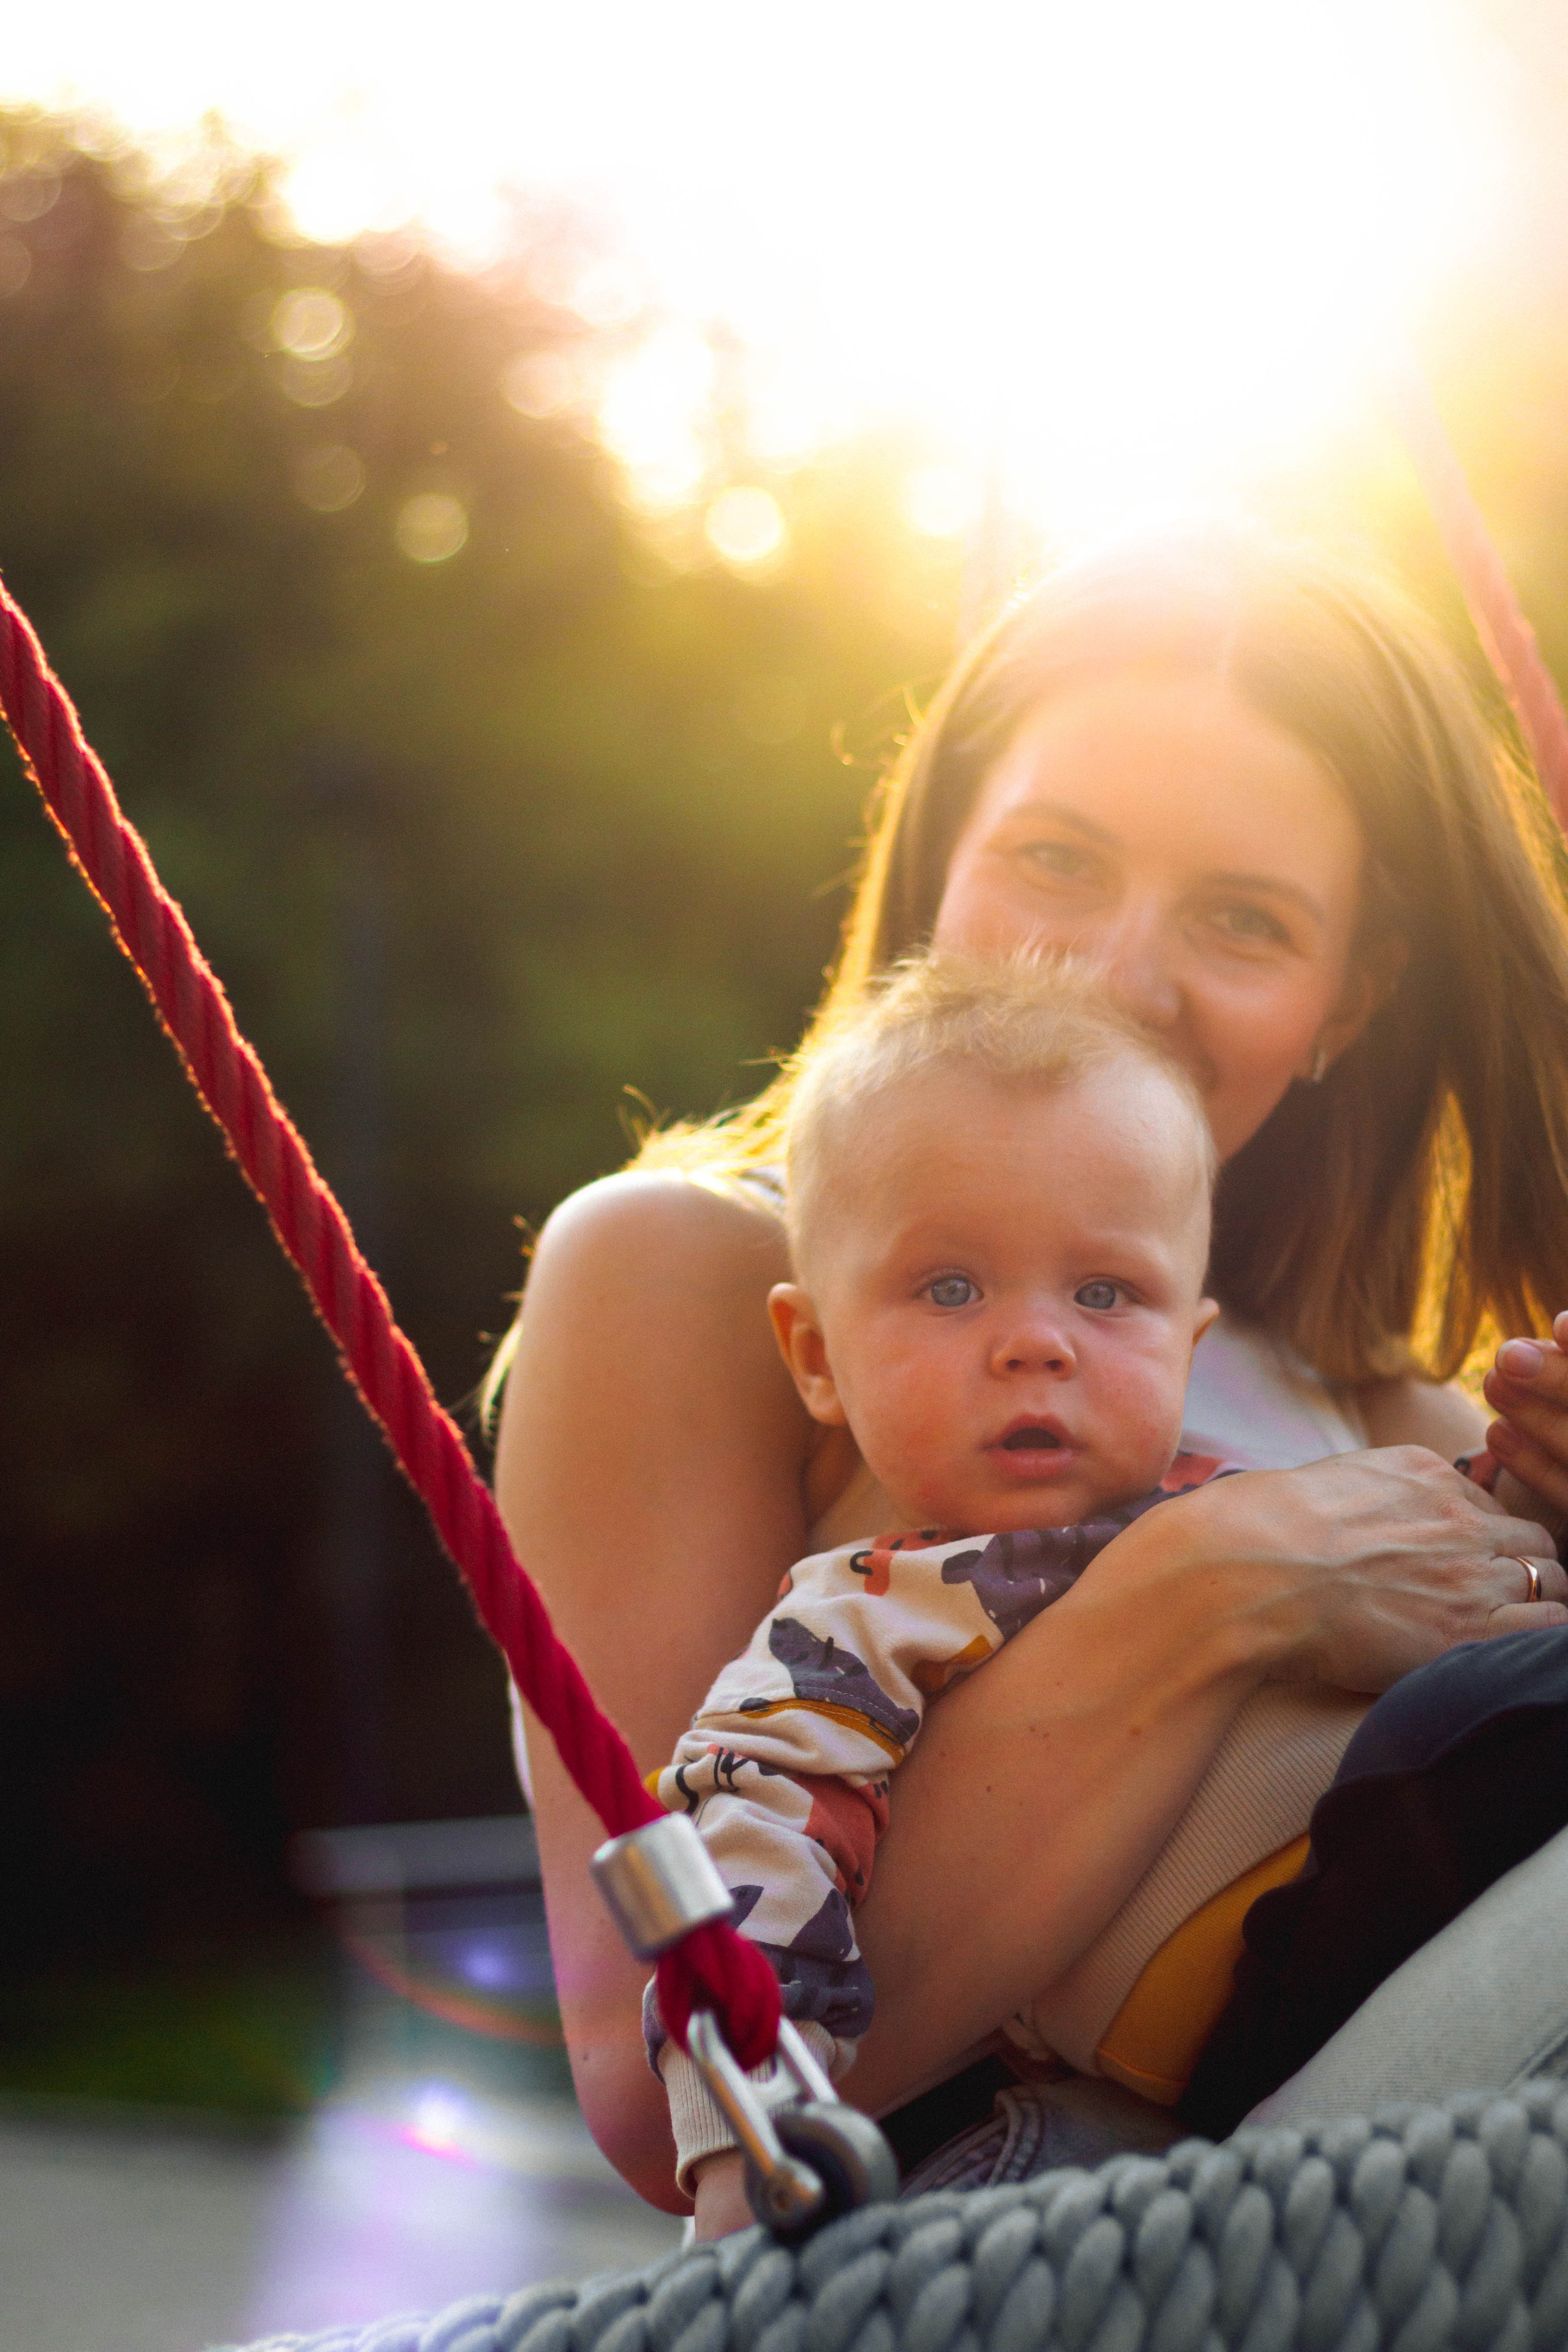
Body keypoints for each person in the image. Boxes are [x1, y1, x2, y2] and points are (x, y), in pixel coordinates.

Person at [489, 523, 1568, 2216]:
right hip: (1045, 2218)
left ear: (1346, 1003)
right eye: (1057, 860)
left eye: (1243, 918)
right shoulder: (698, 1275)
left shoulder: (1412, 1426)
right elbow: (666, 2077)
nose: (1116, 973)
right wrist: (1218, 1584)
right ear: (940, 867)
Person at [644, 952, 1237, 2230]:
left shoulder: (1270, 1521)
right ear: (814, 1354)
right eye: (949, 1288)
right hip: (1079, 2139)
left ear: (1187, 1342)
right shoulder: (861, 1622)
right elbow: (746, 1861)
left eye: (1104, 1292)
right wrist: (744, 2181)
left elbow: (1463, 1577)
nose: (1035, 1339)